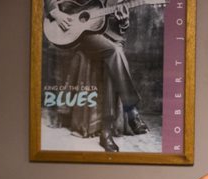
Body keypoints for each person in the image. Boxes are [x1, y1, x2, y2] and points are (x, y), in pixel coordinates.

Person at [44, 0, 149, 152]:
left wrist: (123, 20)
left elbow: (122, 28)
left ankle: (105, 131)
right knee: (114, 53)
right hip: (82, 33)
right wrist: (57, 13)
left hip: (111, 37)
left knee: (113, 55)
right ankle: (130, 110)